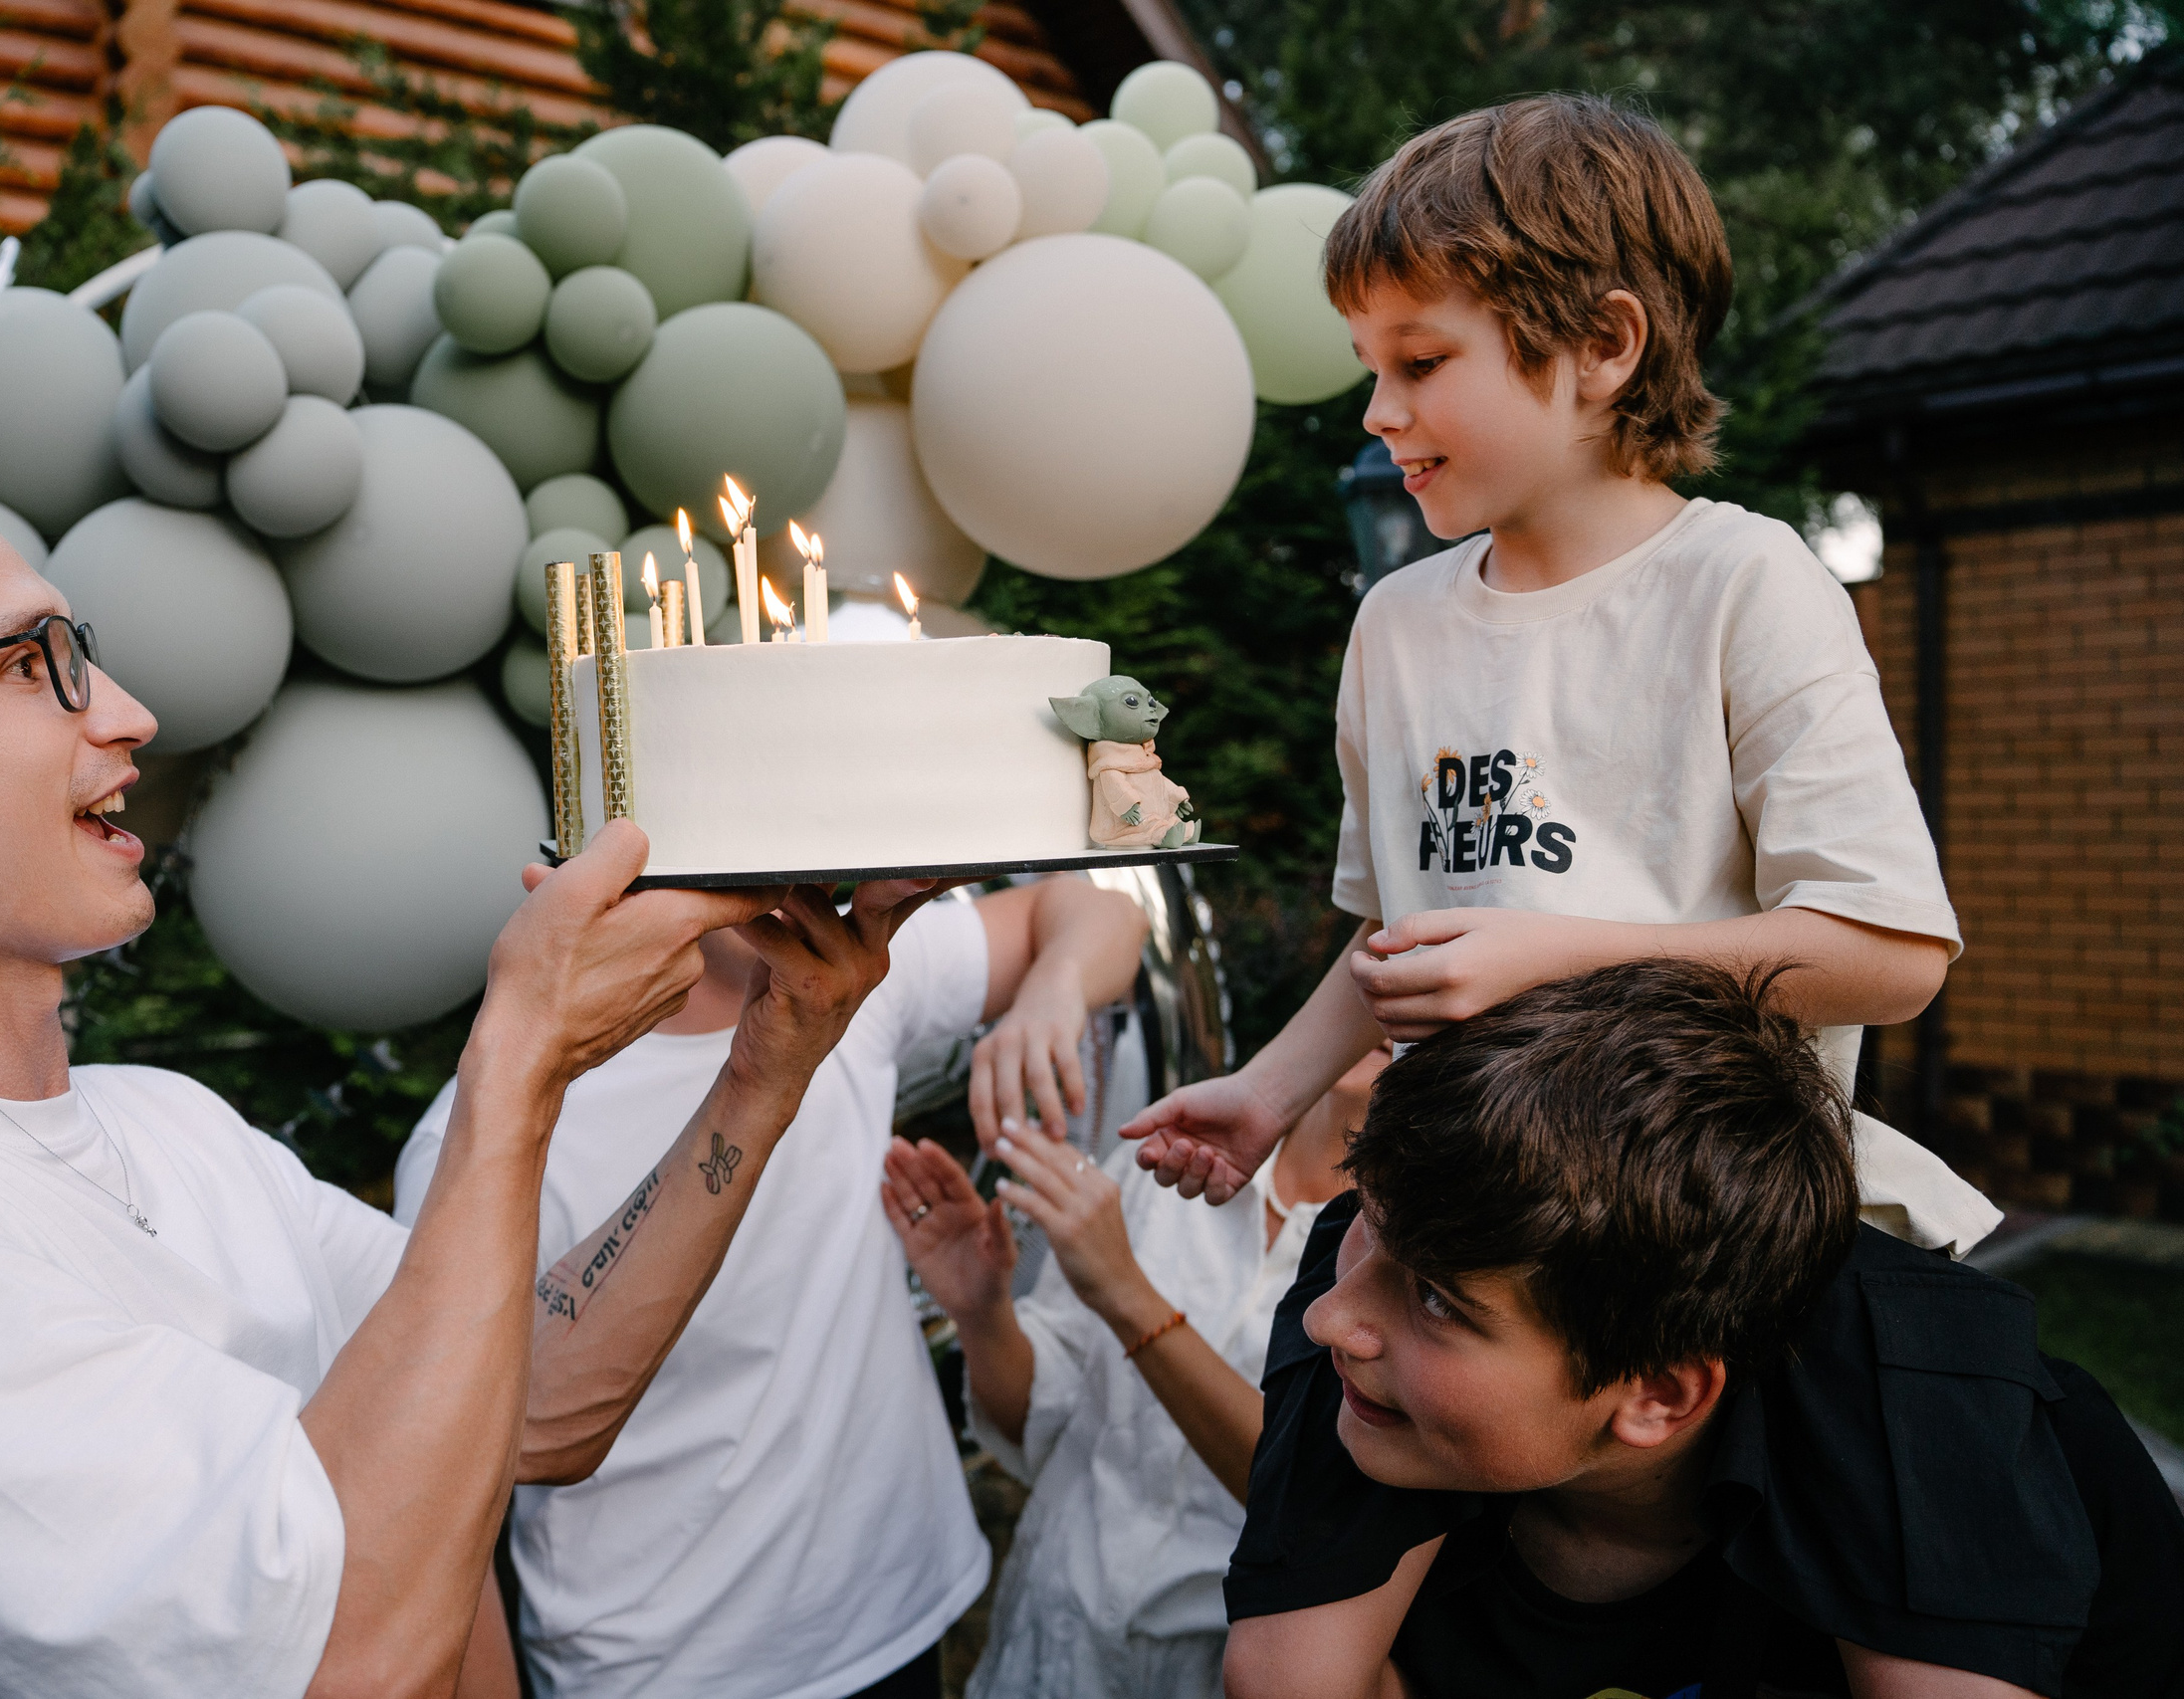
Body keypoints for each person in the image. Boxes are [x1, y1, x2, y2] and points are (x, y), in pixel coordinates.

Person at [0, 429, 947, 1697]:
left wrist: (770, 1063)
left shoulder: (169, 1123)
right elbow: (341, 1657)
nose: (134, 715)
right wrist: (519, 1057)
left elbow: (534, 1400)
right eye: (32, 662)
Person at [1125, 95, 1995, 1261]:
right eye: (1369, 368)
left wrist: (1556, 954)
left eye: (1422, 360)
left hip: (1692, 1249)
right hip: (1468, 1230)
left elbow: (1888, 958)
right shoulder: (1394, 625)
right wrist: (1269, 1092)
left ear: (1602, 345)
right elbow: (1401, 933)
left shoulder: (1744, 582)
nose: (1380, 414)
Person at [1222, 959, 2184, 1698]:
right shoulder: (1380, 1401)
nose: (1327, 1318)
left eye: (1438, 1299)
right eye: (1363, 1234)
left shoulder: (1981, 1453)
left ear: (1660, 1394)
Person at [391, 874, 1149, 1699]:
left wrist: (1052, 990)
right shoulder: (484, 1139)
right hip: (669, 1667)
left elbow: (1097, 908)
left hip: (891, 1609)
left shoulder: (849, 970)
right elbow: (444, 1493)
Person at [885, 1046, 1389, 1698]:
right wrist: (983, 1310)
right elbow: (1040, 1422)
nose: (1393, 957)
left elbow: (1316, 1497)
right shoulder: (1175, 1152)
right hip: (1047, 1651)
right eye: (1378, 939)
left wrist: (1128, 1294)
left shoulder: (1407, 1263)